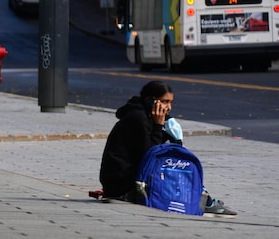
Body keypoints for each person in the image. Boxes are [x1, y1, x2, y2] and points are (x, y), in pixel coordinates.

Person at [99, 80, 237, 217]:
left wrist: (173, 137)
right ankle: (203, 200)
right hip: (120, 185)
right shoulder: (137, 118)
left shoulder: (146, 116)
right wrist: (159, 126)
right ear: (150, 101)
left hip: (130, 178)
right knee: (171, 171)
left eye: (171, 102)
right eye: (164, 102)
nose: (169, 107)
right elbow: (152, 157)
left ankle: (202, 198)